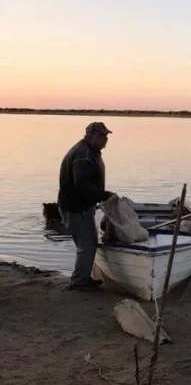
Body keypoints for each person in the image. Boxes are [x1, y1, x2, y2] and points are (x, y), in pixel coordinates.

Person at [58, 122, 115, 291]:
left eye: (107, 136)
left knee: (88, 243)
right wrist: (104, 195)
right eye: (103, 136)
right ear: (93, 137)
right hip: (75, 207)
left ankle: (82, 278)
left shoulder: (91, 151)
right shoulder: (84, 155)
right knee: (87, 245)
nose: (106, 140)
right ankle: (79, 282)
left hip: (80, 205)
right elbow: (81, 186)